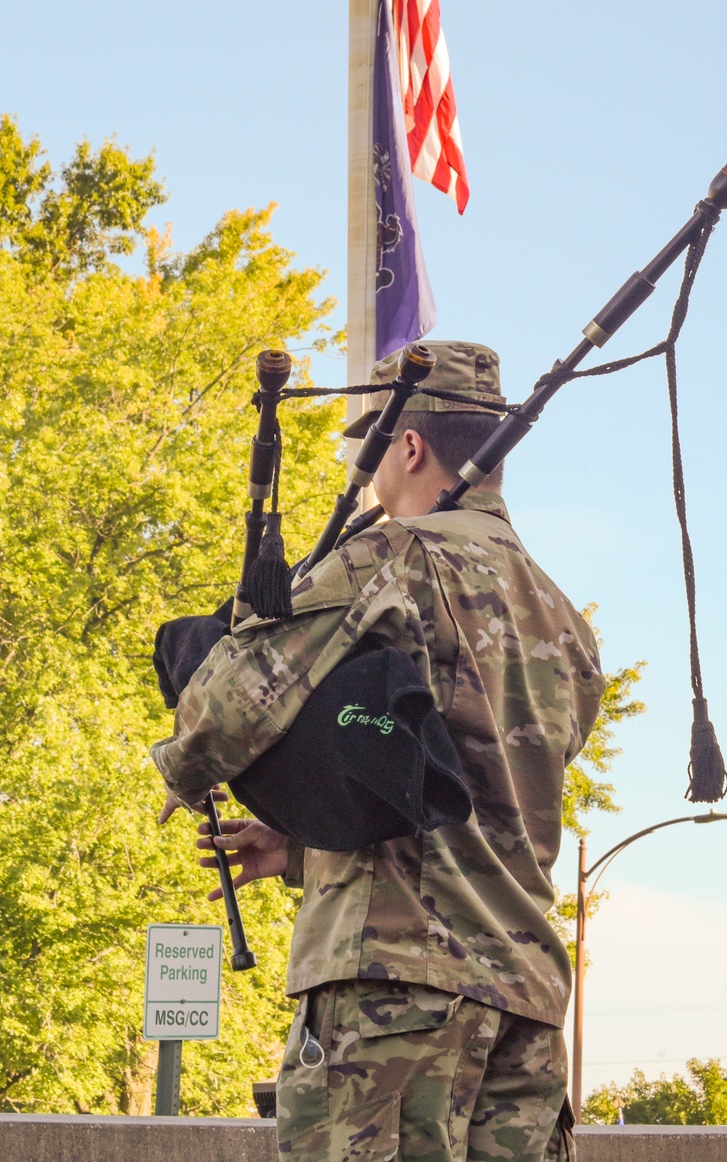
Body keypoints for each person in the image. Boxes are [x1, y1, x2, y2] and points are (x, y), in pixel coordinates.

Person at [152, 341, 605, 1162]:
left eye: (374, 451)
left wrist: (186, 760)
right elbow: (472, 801)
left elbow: (228, 703)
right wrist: (301, 850)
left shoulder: (394, 558)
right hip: (525, 1000)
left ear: (408, 445)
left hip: (395, 992)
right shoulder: (564, 620)